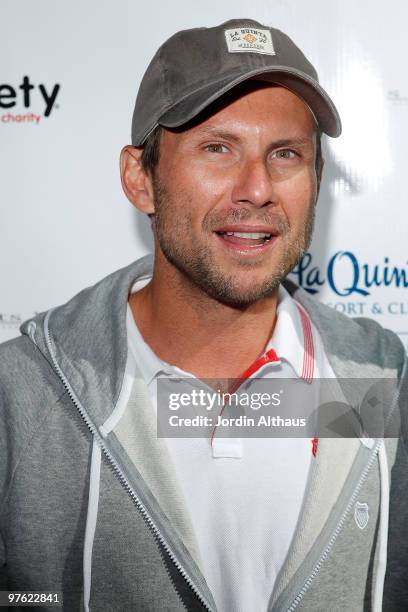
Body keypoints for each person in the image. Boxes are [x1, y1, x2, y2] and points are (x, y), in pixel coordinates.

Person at [0, 18, 407, 612]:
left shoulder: (382, 383)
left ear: (317, 180)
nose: (257, 188)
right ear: (140, 178)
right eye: (217, 148)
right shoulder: (21, 394)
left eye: (286, 154)